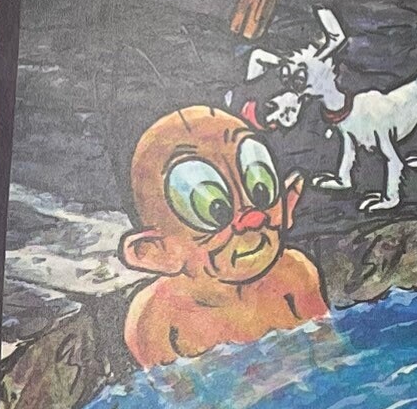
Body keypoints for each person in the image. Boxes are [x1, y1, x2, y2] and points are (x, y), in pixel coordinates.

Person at [119, 107, 327, 368]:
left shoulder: (295, 277)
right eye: (212, 207)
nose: (252, 220)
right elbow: (170, 393)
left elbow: (331, 359)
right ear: (156, 252)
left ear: (288, 202)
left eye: (260, 189)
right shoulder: (157, 318)